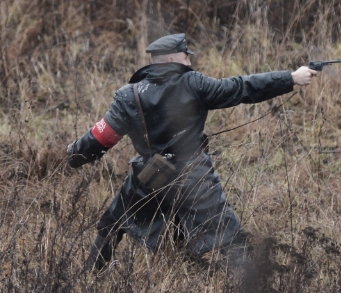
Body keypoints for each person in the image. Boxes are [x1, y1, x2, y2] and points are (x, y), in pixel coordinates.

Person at [67, 33, 317, 273]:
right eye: (186, 57)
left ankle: (91, 275)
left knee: (111, 226)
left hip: (150, 176)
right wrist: (291, 78)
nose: (190, 61)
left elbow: (100, 137)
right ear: (170, 59)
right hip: (195, 176)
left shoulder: (128, 96)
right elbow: (242, 88)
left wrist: (73, 155)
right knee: (230, 237)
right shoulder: (194, 83)